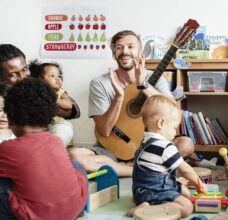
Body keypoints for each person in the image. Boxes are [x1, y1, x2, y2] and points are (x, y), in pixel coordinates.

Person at [69, 30, 194, 176]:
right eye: (119, 47)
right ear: (114, 53)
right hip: (112, 149)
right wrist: (119, 97)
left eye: (130, 46)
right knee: (75, 156)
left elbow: (172, 111)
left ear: (141, 52)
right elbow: (103, 130)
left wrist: (144, 86)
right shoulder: (100, 83)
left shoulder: (156, 80)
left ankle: (119, 168)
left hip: (150, 147)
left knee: (186, 145)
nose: (124, 51)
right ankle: (142, 168)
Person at [0, 78, 88, 220]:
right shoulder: (56, 141)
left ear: (10, 118)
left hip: (35, 216)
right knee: (76, 166)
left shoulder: (7, 149)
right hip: (73, 209)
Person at [128, 94, 207, 217]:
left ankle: (144, 203)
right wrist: (198, 183)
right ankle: (151, 209)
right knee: (187, 206)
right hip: (158, 193)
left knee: (184, 191)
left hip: (140, 193)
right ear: (161, 123)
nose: (175, 133)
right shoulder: (166, 146)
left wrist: (176, 181)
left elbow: (157, 171)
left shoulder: (144, 142)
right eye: (174, 128)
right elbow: (185, 169)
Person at [29, 60, 74, 147]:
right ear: (40, 79)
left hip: (56, 124)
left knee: (58, 135)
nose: (57, 78)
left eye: (58, 75)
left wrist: (55, 99)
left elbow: (69, 105)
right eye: (52, 76)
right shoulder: (35, 91)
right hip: (38, 126)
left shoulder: (60, 92)